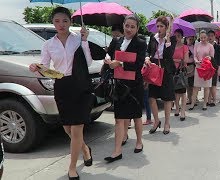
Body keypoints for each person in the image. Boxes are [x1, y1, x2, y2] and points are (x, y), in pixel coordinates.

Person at [29, 7, 93, 180]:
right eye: (57, 21)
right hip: (62, 85)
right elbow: (45, 68)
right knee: (67, 128)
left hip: (80, 85)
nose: (61, 24)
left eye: (65, 20)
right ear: (53, 22)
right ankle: (85, 149)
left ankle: (72, 167)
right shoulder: (48, 44)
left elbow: (88, 62)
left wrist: (85, 41)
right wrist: (37, 68)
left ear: (70, 22)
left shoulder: (79, 40)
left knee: (77, 128)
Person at [103, 15, 147, 163]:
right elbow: (108, 53)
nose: (129, 29)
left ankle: (139, 141)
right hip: (120, 85)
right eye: (127, 25)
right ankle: (117, 151)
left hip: (134, 86)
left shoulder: (141, 43)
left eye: (132, 27)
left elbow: (139, 64)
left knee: (136, 116)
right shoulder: (117, 40)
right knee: (119, 118)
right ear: (123, 25)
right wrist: (108, 59)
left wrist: (120, 64)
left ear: (137, 29)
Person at [144, 16, 176, 135]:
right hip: (153, 67)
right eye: (157, 26)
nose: (159, 28)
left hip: (165, 69)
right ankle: (156, 121)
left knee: (167, 98)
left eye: (161, 26)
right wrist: (147, 57)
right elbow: (148, 50)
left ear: (166, 27)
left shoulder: (171, 38)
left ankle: (167, 123)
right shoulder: (153, 37)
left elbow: (169, 55)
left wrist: (167, 40)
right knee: (151, 97)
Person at [189, 30, 214, 111]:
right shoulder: (197, 45)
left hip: (207, 68)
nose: (203, 39)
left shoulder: (210, 46)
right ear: (199, 37)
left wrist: (208, 58)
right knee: (195, 87)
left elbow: (212, 57)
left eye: (204, 37)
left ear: (207, 37)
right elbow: (195, 56)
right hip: (198, 67)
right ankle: (192, 103)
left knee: (206, 87)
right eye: (201, 37)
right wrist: (196, 61)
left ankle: (204, 104)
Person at [172, 29, 189, 121]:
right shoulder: (171, 46)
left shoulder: (184, 47)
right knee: (175, 91)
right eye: (175, 36)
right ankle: (177, 108)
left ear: (182, 37)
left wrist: (174, 60)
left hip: (181, 71)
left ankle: (183, 111)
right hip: (172, 70)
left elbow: (185, 60)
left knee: (182, 91)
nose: (177, 38)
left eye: (178, 36)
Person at [207, 30, 219, 106]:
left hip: (214, 67)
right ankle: (208, 100)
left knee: (213, 85)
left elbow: (219, 59)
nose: (210, 37)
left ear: (214, 37)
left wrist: (219, 68)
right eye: (209, 36)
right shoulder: (206, 45)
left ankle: (214, 100)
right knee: (208, 85)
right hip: (207, 68)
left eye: (212, 36)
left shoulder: (217, 47)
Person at [185, 36, 196, 105]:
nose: (190, 41)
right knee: (188, 85)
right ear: (186, 39)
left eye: (192, 39)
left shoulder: (195, 47)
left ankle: (194, 98)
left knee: (193, 84)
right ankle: (189, 98)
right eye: (189, 39)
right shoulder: (184, 47)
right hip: (186, 66)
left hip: (193, 66)